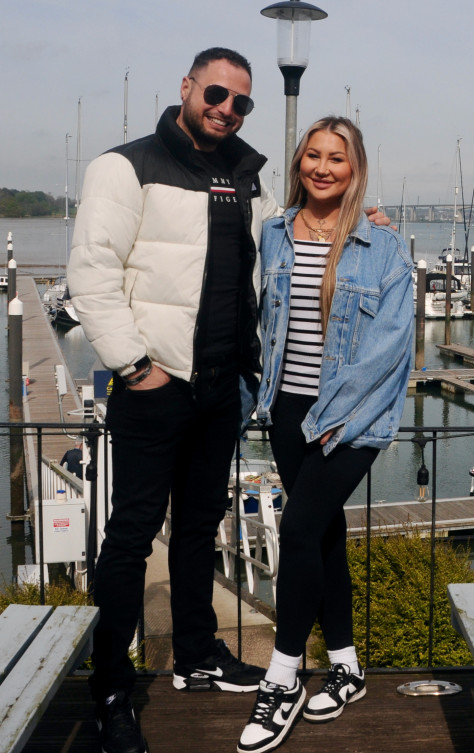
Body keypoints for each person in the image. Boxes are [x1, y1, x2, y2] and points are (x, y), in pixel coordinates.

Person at [68, 49, 390, 753]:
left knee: (199, 527)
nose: (226, 108)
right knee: (131, 536)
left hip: (224, 391)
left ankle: (196, 652)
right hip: (154, 384)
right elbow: (91, 273)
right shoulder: (125, 166)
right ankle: (112, 688)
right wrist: (134, 364)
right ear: (187, 87)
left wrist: (366, 224)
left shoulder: (247, 178)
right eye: (216, 93)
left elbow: (295, 235)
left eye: (241, 102)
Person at [237, 116, 413, 753]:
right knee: (325, 534)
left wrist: (331, 414)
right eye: (312, 155)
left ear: (355, 167)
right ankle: (346, 666)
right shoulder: (275, 233)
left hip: (352, 417)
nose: (322, 167)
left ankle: (281, 677)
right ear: (298, 162)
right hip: (287, 410)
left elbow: (391, 348)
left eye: (336, 158)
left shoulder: (385, 247)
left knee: (300, 528)